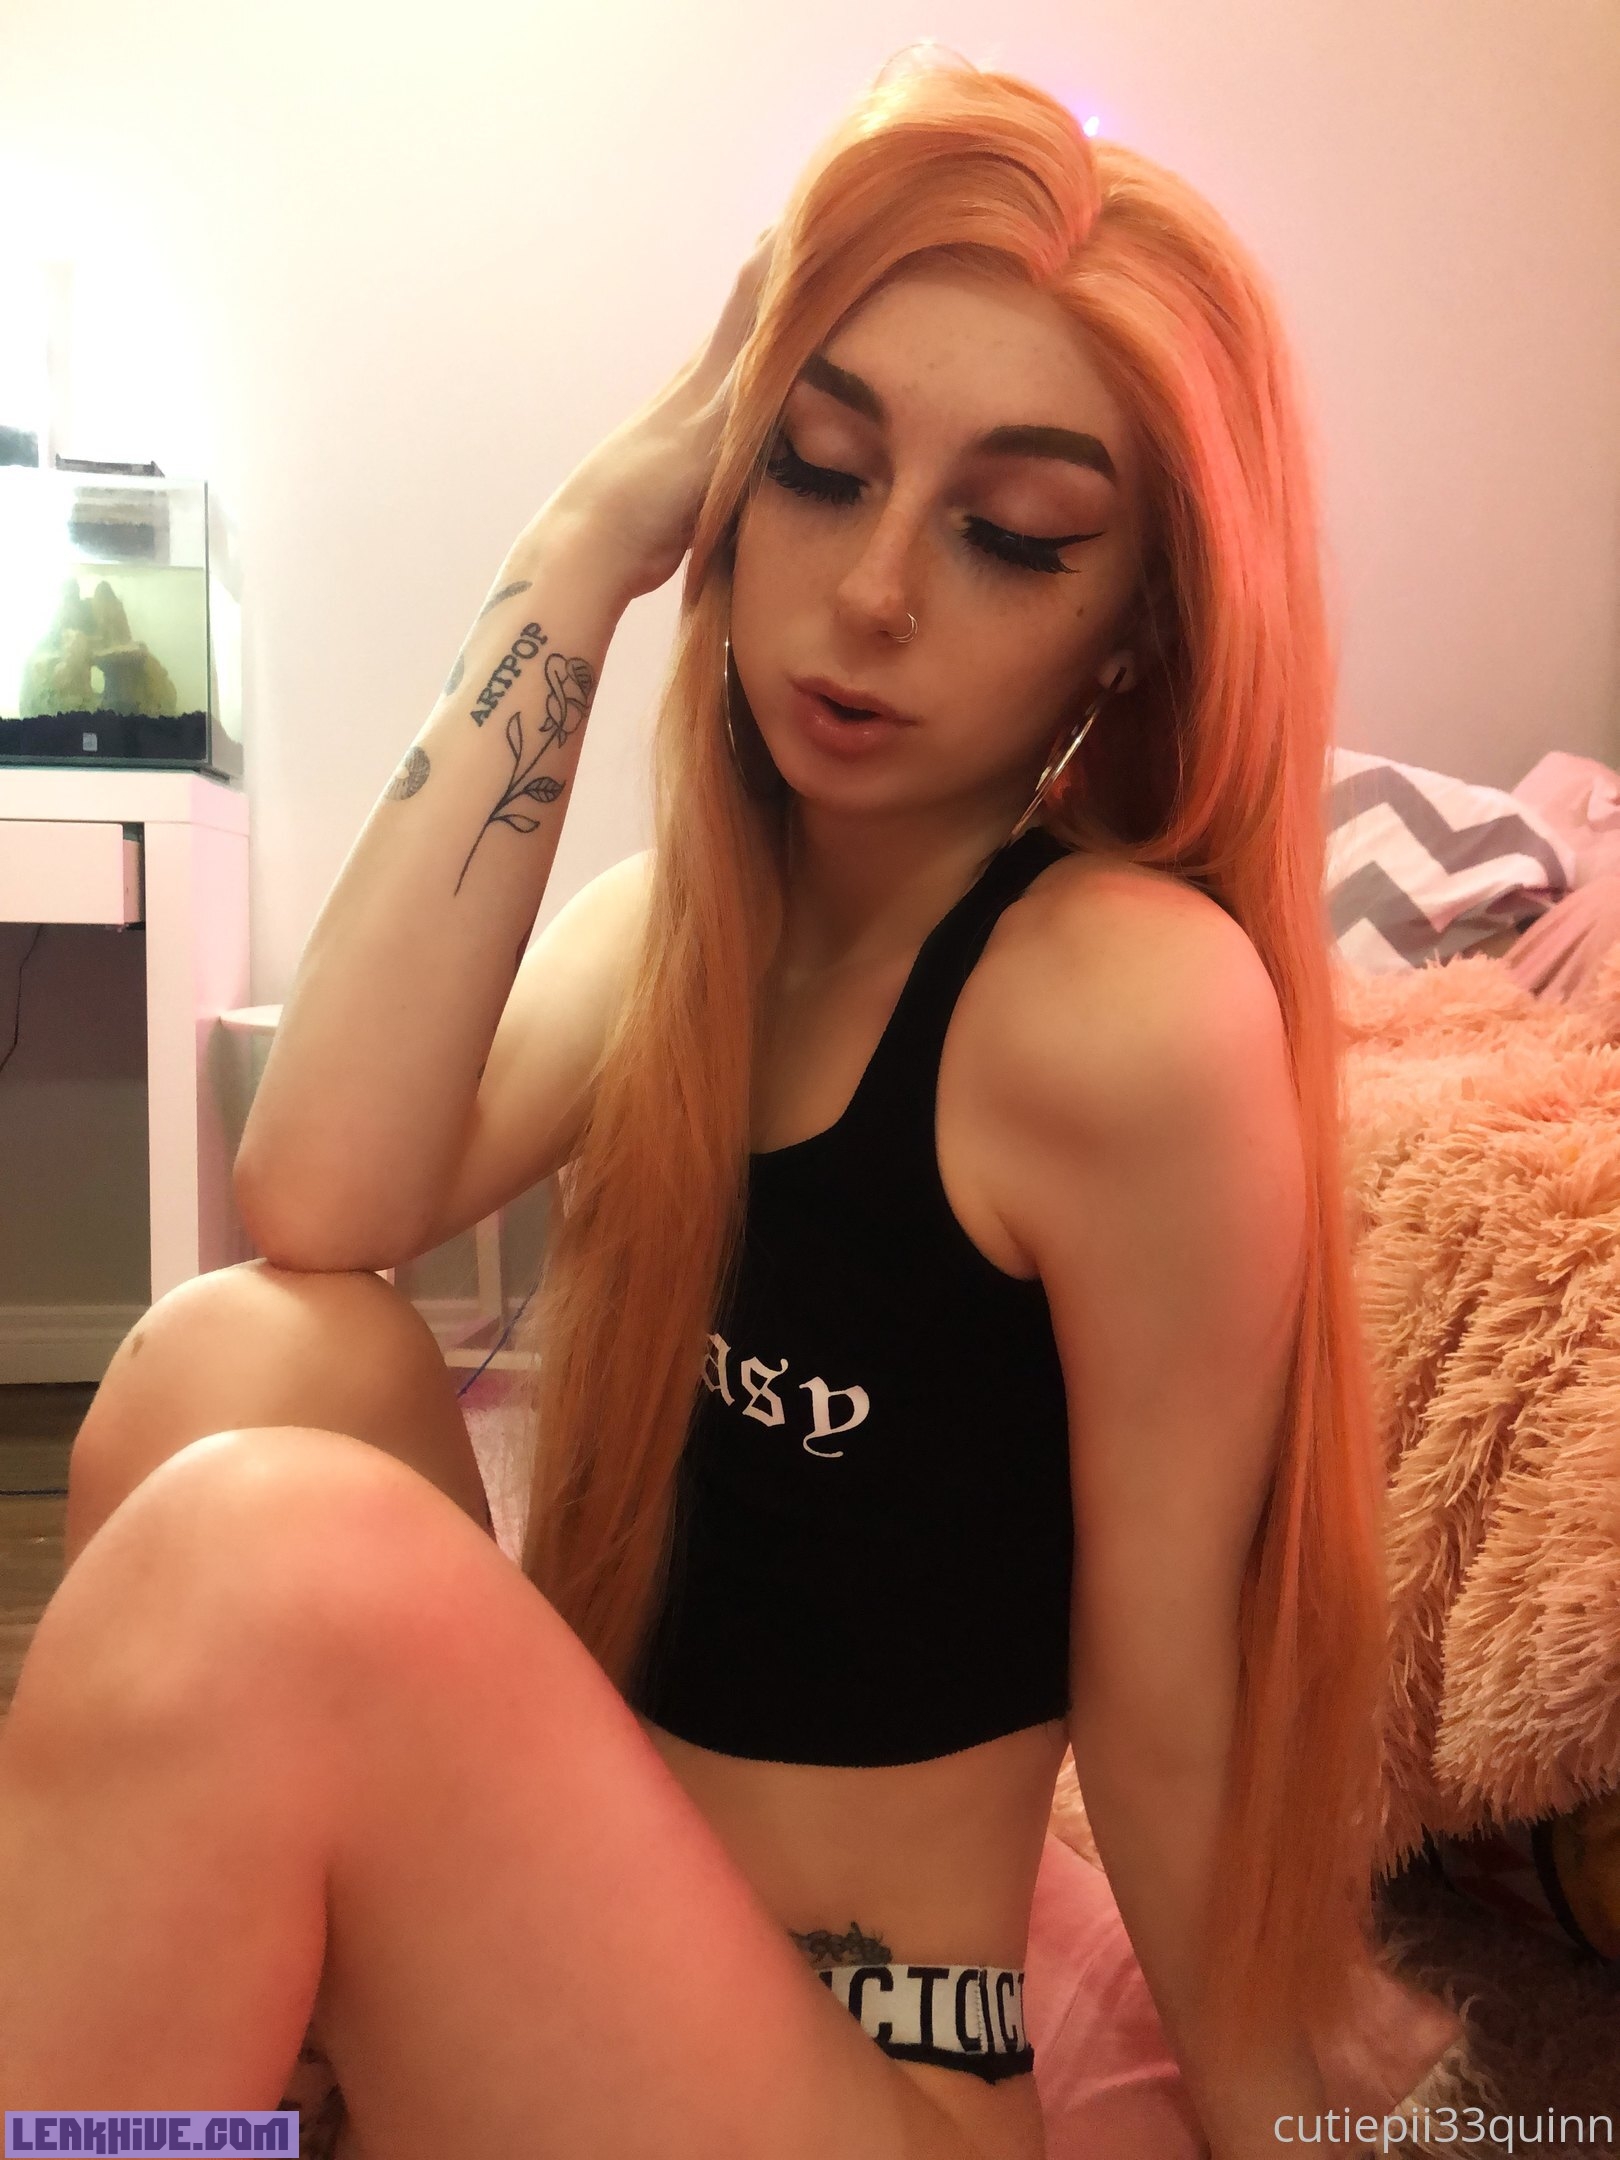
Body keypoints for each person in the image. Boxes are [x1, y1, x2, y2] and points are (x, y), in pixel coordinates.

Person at [0, 44, 1457, 2160]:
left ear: (1134, 635)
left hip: (870, 2058)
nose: (874, 593)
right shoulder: (680, 936)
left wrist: (1287, 2130)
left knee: (267, 1563)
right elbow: (314, 1187)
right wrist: (585, 540)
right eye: (820, 468)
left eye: (1015, 538)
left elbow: (1171, 1709)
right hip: (579, 1944)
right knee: (244, 1359)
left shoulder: (1123, 1008)